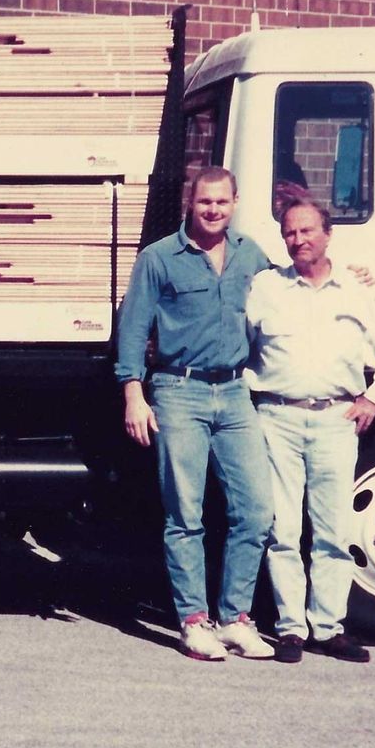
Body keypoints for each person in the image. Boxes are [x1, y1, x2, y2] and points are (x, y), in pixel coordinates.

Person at [246, 196, 375, 662]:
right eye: (289, 233)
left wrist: (373, 397)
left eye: (306, 231)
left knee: (333, 530)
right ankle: (289, 630)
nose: (297, 240)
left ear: (327, 234)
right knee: (281, 528)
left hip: (335, 421)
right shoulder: (265, 288)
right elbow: (238, 344)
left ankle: (328, 627)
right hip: (276, 418)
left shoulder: (358, 290)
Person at [116, 166, 277, 661]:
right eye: (205, 202)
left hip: (233, 395)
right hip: (177, 391)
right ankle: (193, 621)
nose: (213, 210)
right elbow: (132, 325)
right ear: (191, 202)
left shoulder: (252, 255)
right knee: (184, 515)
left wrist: (355, 273)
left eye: (222, 202)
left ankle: (236, 619)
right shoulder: (160, 258)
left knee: (256, 512)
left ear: (234, 202)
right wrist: (133, 394)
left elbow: (290, 296)